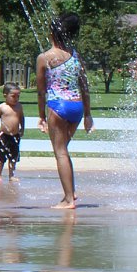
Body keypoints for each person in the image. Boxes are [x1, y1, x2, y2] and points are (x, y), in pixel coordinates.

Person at [35, 12, 93, 209]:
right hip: (76, 106)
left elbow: (41, 92)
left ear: (52, 33)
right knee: (64, 151)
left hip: (58, 107)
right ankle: (71, 192)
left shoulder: (44, 58)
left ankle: (69, 199)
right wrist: (87, 114)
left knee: (60, 153)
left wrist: (41, 116)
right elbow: (84, 85)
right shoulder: (75, 55)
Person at [0, 85, 24, 178]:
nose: (16, 99)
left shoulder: (19, 106)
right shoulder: (2, 107)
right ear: (5, 95)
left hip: (15, 135)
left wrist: (22, 128)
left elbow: (21, 118)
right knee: (0, 156)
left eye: (18, 96)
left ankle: (11, 175)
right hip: (4, 135)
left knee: (14, 156)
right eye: (13, 96)